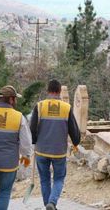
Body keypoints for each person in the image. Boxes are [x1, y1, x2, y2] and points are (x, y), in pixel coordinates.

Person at [29, 79, 81, 210]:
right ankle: (52, 203)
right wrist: (76, 142)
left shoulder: (39, 106)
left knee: (44, 179)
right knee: (58, 178)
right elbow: (74, 130)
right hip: (59, 152)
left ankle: (48, 204)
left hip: (41, 151)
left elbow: (32, 128)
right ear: (59, 91)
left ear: (48, 91)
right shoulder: (66, 108)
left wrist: (35, 141)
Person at [0, 85, 32, 210]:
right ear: (10, 100)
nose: (16, 101)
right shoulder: (19, 117)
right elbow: (26, 144)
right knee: (4, 192)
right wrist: (25, 157)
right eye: (15, 98)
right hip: (8, 165)